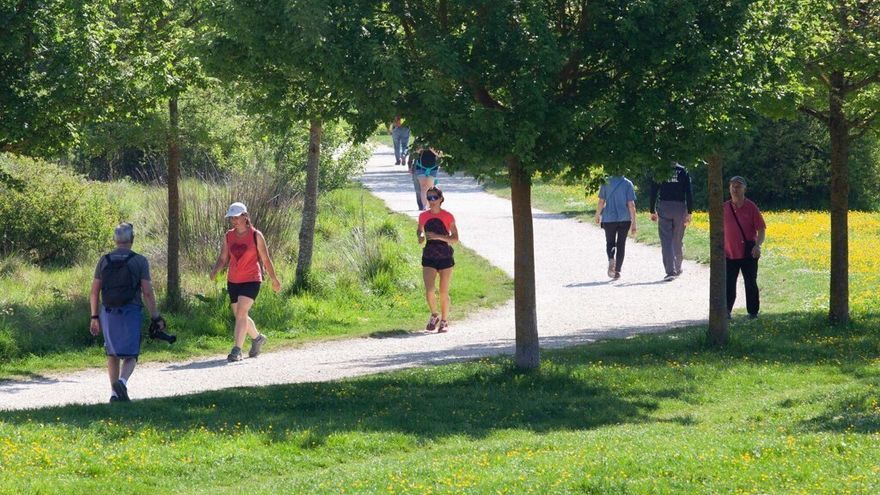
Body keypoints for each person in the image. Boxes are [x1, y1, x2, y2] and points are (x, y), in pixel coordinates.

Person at [89, 222, 165, 403]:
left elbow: (94, 291)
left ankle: (114, 395)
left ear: (115, 240)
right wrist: (155, 316)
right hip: (130, 311)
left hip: (107, 312)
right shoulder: (139, 261)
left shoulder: (104, 260)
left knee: (112, 354)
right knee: (131, 354)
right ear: (132, 239)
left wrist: (94, 316)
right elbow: (147, 292)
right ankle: (122, 382)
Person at [210, 202, 282, 362]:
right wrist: (216, 269)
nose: (234, 221)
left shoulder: (256, 235)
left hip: (251, 279)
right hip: (233, 280)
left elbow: (265, 259)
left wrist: (274, 279)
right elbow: (223, 257)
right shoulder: (228, 235)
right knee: (240, 315)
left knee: (241, 313)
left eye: (237, 217)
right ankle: (257, 339)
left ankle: (236, 350)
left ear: (245, 216)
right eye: (231, 218)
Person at [724, 176, 766, 319]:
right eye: (733, 186)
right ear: (729, 189)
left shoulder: (751, 207)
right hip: (729, 253)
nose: (735, 189)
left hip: (748, 252)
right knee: (728, 284)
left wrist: (757, 246)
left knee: (750, 283)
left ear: (744, 189)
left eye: (738, 186)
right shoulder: (724, 208)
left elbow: (761, 229)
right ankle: (726, 312)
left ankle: (753, 313)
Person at [417, 187, 459, 333]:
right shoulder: (423, 216)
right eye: (429, 198)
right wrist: (420, 237)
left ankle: (444, 321)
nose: (432, 201)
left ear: (441, 199)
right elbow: (419, 229)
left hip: (445, 256)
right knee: (429, 290)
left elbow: (455, 238)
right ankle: (435, 315)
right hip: (429, 255)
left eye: (434, 198)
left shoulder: (448, 216)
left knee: (443, 291)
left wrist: (438, 236)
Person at [649, 162, 694, 281]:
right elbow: (689, 192)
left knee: (666, 240)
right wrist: (690, 211)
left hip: (664, 206)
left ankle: (670, 271)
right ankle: (678, 267)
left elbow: (654, 190)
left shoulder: (660, 170)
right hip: (680, 207)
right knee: (677, 238)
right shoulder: (683, 171)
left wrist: (652, 210)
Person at [595, 175, 637, 279]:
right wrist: (634, 223)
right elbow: (631, 204)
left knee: (610, 242)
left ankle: (611, 258)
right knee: (621, 244)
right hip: (624, 218)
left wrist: (597, 214)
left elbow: (601, 201)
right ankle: (617, 271)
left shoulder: (606, 182)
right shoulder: (628, 183)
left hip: (609, 218)